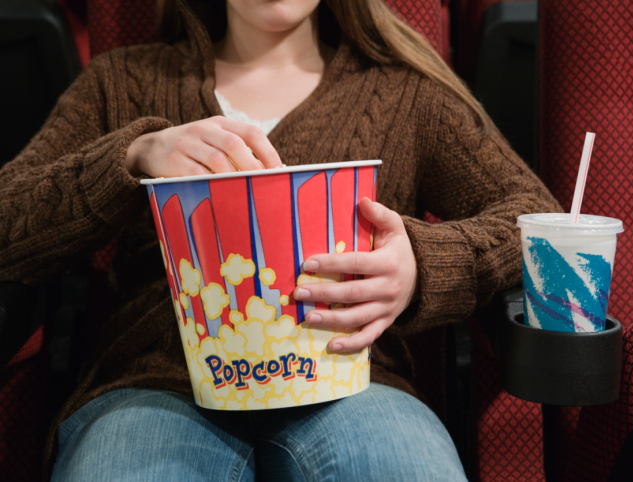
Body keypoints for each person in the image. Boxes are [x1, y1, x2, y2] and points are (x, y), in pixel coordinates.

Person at [0, 0, 561, 480]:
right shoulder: (123, 80)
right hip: (155, 388)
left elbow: (535, 215)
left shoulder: (406, 92)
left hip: (352, 385)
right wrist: (130, 157)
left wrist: (422, 264)